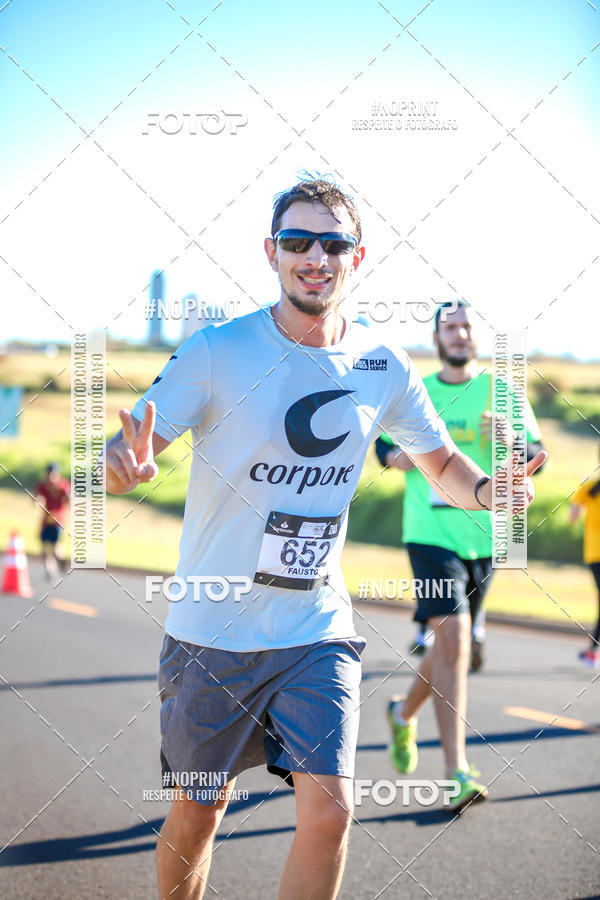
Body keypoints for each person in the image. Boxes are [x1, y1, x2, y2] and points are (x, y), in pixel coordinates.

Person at [104, 179, 545, 898]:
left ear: (357, 256)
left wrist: (492, 494)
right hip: (212, 625)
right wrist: (122, 469)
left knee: (332, 811)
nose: (316, 256)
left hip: (316, 625)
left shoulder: (382, 363)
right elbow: (128, 447)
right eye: (298, 241)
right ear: (271, 252)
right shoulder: (218, 351)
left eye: (333, 242)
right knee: (198, 809)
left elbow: (439, 463)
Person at [376, 301, 545, 810]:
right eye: (449, 327)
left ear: (475, 337)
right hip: (429, 536)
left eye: (466, 326)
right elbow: (384, 454)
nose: (459, 333)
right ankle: (457, 773)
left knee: (456, 649)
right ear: (436, 338)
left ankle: (402, 715)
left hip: (485, 540)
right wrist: (419, 454)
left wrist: (509, 445)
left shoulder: (502, 391)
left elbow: (532, 456)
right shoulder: (417, 392)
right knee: (452, 638)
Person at [569, 452, 600, 668]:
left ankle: (592, 651)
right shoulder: (590, 489)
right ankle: (592, 650)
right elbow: (573, 517)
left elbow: (572, 519)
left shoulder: (590, 488)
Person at [34, 463, 70, 578]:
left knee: (55, 549)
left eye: (53, 474)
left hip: (57, 522)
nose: (50, 477)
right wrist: (37, 501)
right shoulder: (43, 485)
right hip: (45, 521)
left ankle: (61, 563)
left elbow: (69, 499)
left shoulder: (63, 485)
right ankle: (49, 571)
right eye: (48, 474)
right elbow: (38, 497)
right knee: (44, 547)